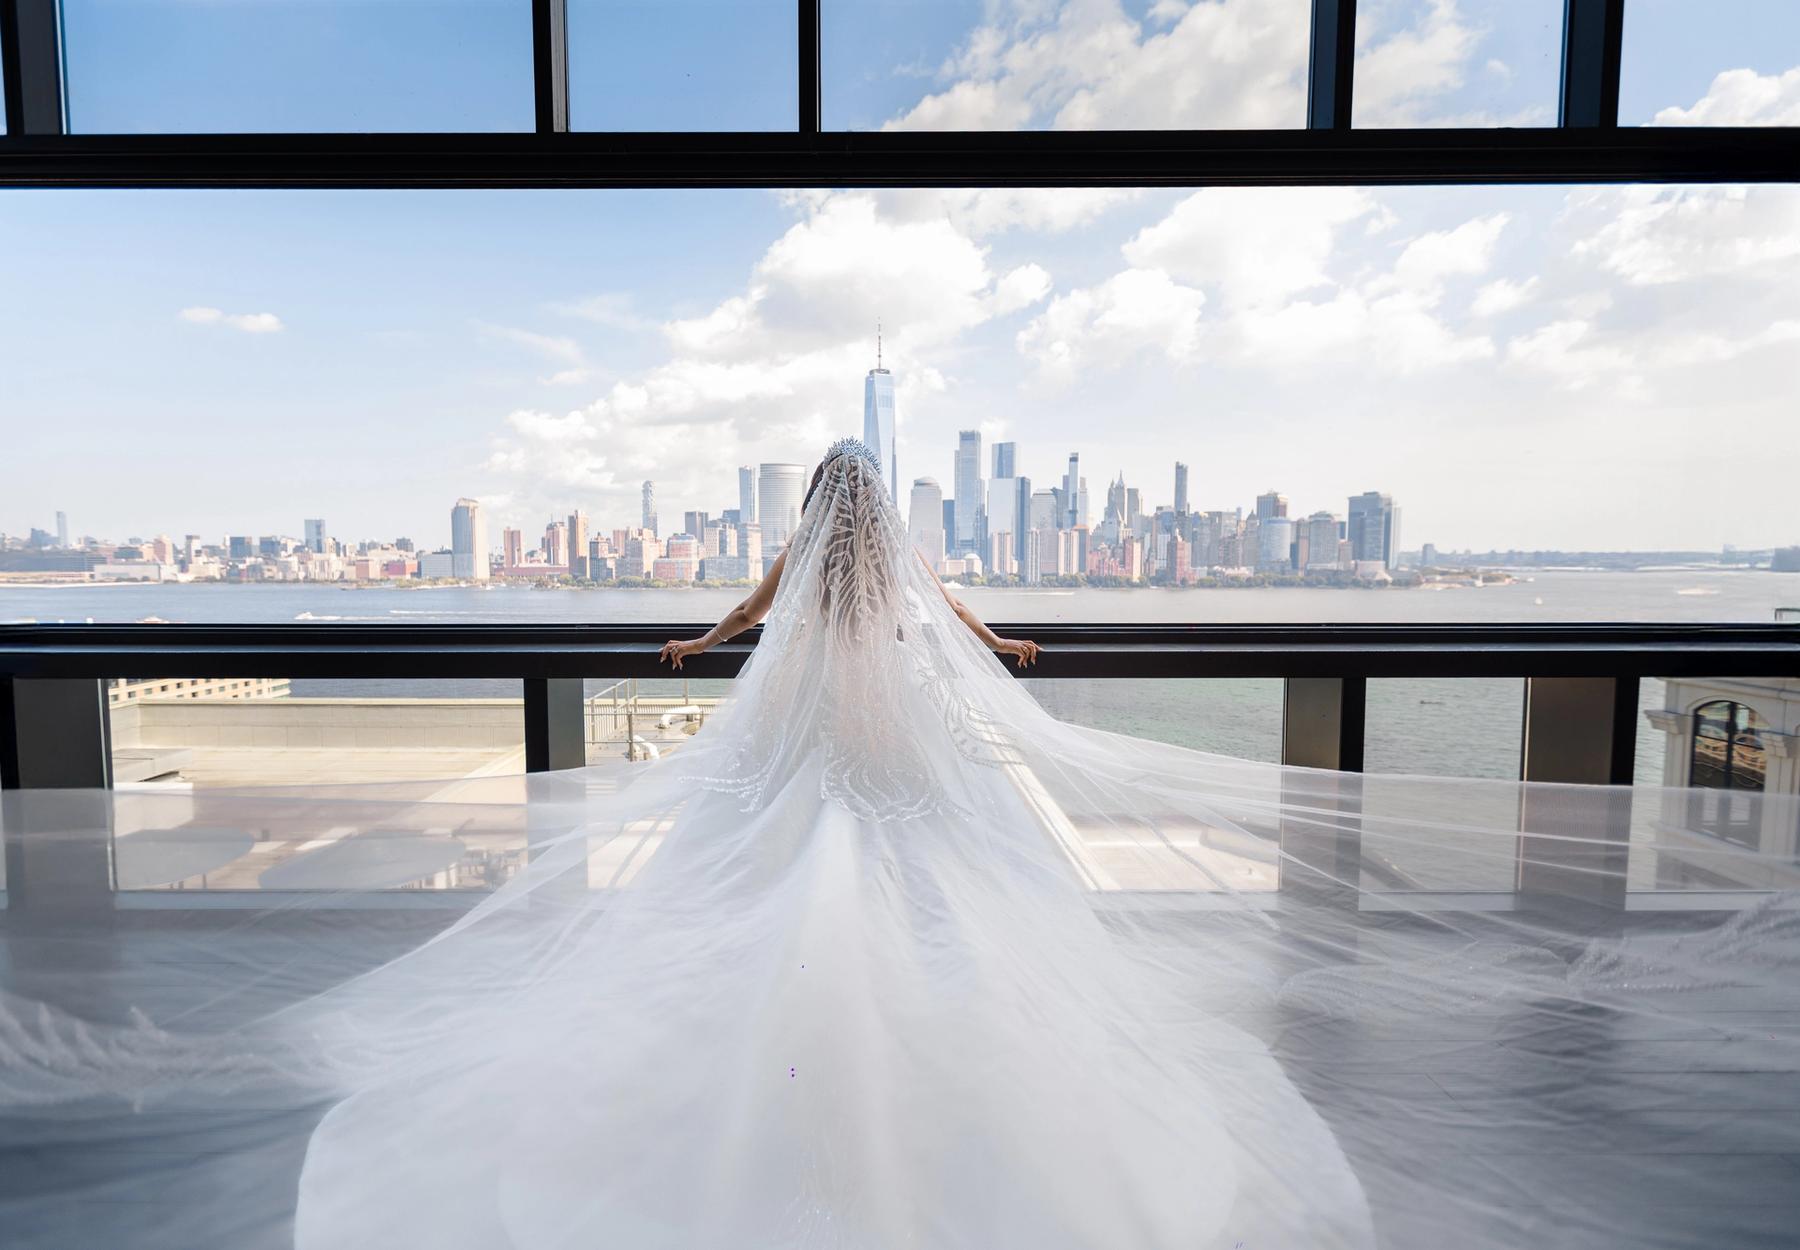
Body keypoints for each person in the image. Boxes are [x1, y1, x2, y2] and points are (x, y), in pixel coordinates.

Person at [3, 438, 1797, 1250]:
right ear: (898, 519)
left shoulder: (810, 566)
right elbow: (977, 637)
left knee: (734, 933)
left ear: (814, 513)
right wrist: (1002, 652)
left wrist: (701, 651)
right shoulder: (908, 570)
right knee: (964, 934)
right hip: (908, 778)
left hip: (795, 775)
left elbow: (743, 619)